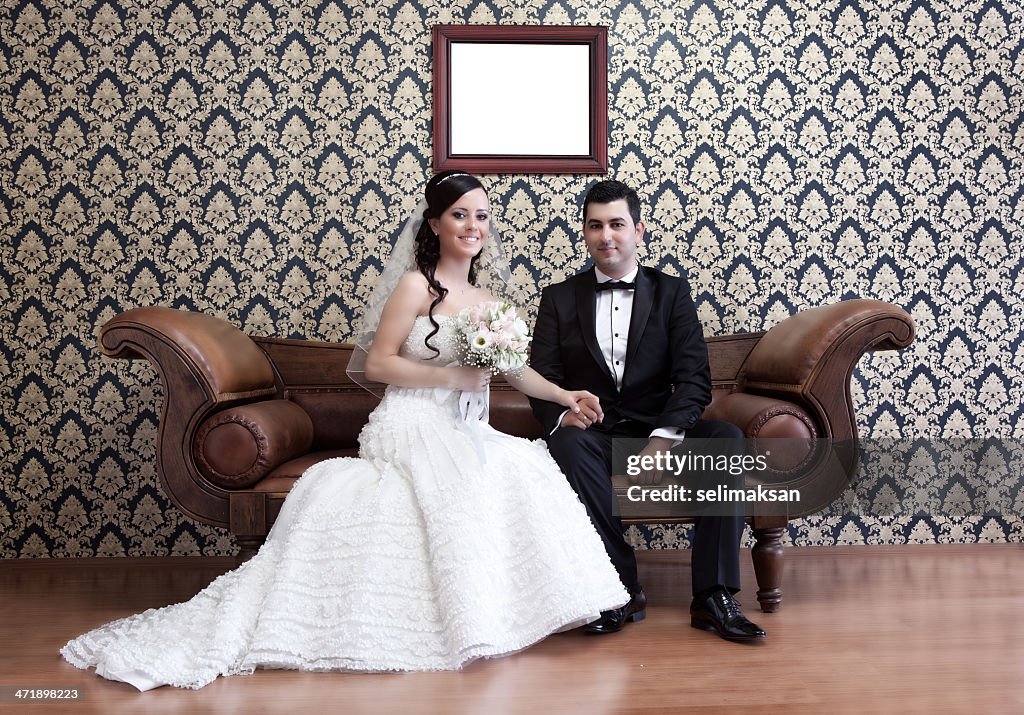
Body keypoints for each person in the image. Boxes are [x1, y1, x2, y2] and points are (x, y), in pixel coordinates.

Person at [61, 171, 628, 690]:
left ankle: (503, 612)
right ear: (434, 223)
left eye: (481, 215)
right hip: (411, 418)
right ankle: (454, 617)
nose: (473, 226)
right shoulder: (415, 287)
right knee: (457, 479)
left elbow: (511, 368)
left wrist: (563, 396)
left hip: (466, 423)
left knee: (525, 467)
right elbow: (377, 364)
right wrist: (452, 374)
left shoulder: (489, 302)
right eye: (459, 214)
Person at [528, 179, 766, 642]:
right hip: (595, 433)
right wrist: (562, 412)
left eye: (617, 224)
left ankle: (714, 597)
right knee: (566, 443)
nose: (606, 236)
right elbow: (542, 377)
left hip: (661, 429)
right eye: (595, 226)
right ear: (584, 233)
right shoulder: (557, 298)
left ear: (639, 230)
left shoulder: (672, 293)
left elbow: (695, 378)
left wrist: (663, 438)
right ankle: (620, 588)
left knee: (727, 440)